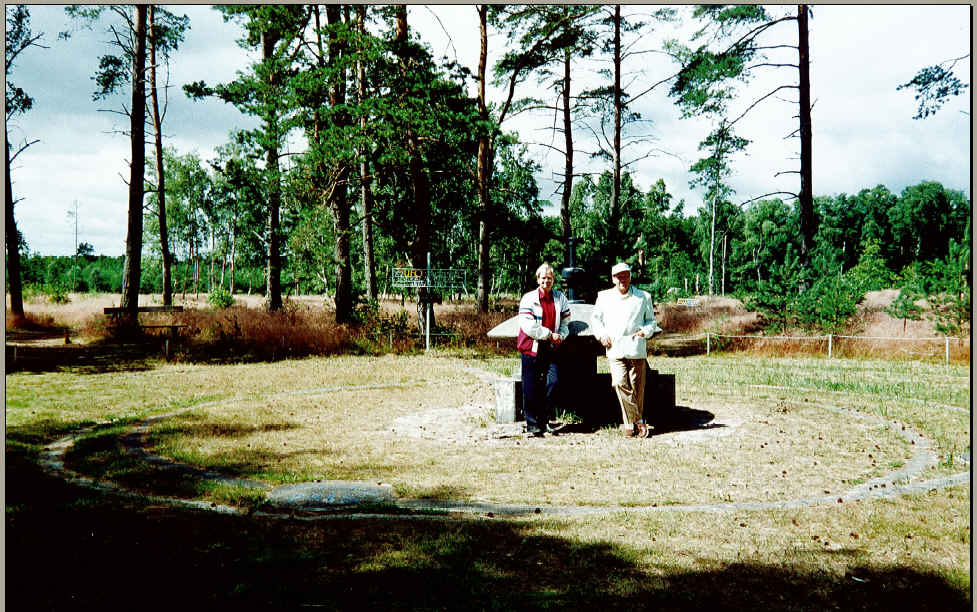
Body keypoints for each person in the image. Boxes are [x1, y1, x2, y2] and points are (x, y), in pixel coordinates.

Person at [590, 262, 661, 438]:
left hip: (636, 347)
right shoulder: (604, 297)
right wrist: (602, 335)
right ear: (613, 279)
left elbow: (651, 321)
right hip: (614, 348)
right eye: (618, 276)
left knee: (637, 388)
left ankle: (630, 425)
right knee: (619, 383)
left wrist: (645, 331)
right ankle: (639, 420)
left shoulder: (643, 296)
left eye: (625, 275)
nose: (622, 279)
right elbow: (596, 320)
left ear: (630, 276)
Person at [518, 263, 571, 437]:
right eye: (543, 278)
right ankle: (532, 425)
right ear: (538, 279)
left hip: (551, 347)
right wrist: (549, 334)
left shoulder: (560, 298)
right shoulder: (529, 298)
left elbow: (566, 321)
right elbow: (527, 325)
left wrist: (561, 335)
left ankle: (544, 420)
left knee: (552, 382)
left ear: (553, 280)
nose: (546, 281)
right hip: (531, 346)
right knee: (531, 386)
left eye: (549, 278)